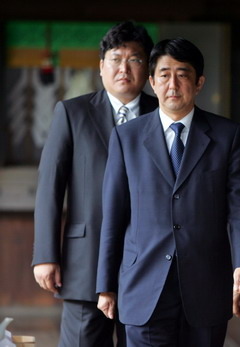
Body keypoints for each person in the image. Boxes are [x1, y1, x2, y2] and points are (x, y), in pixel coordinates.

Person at [95, 38, 240, 346]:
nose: (173, 84)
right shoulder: (126, 138)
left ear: (199, 83)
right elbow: (114, 216)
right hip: (143, 285)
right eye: (164, 74)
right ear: (152, 82)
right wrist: (105, 285)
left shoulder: (228, 136)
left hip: (206, 286)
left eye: (182, 74)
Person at [32, 21, 156, 347]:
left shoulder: (163, 115)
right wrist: (46, 254)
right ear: (101, 66)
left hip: (148, 260)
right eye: (116, 58)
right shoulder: (73, 113)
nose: (124, 68)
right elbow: (50, 186)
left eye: (135, 59)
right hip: (85, 259)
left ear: (148, 69)